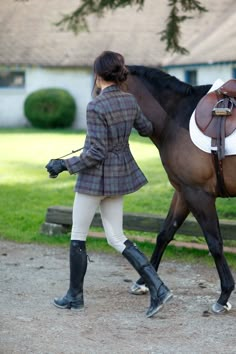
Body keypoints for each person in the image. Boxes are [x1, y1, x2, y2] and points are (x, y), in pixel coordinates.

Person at [45, 50, 172, 318]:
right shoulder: (129, 100)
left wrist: (63, 165)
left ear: (98, 75)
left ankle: (75, 297)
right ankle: (158, 288)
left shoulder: (96, 105)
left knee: (78, 236)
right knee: (116, 237)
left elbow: (95, 154)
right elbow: (147, 128)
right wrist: (127, 125)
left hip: (94, 180)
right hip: (118, 178)